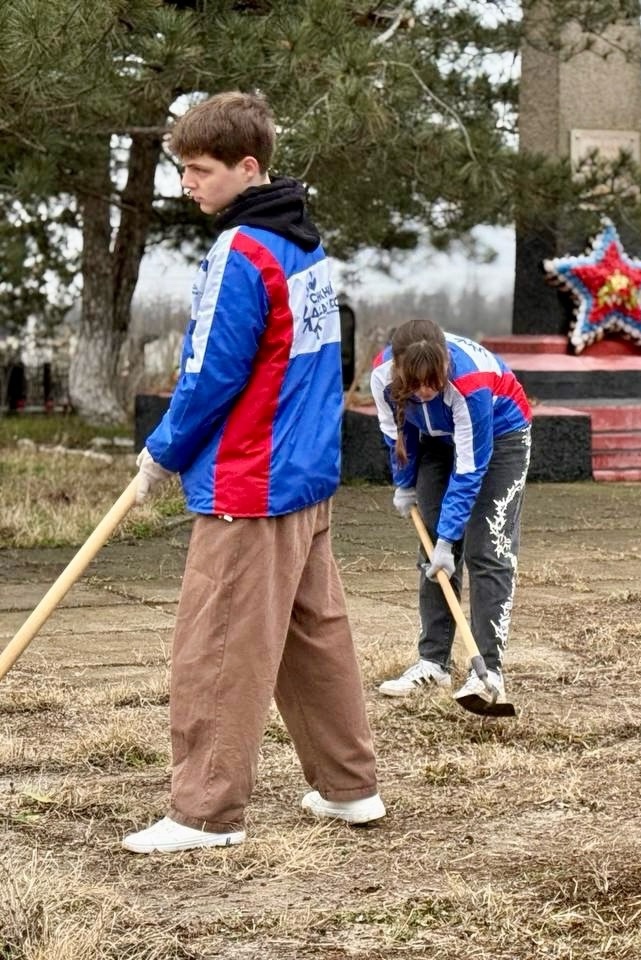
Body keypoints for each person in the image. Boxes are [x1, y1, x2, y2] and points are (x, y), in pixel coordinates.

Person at [124, 91, 383, 854]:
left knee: (217, 642)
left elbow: (210, 373)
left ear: (248, 166)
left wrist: (161, 451)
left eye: (200, 170)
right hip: (303, 478)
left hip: (251, 479)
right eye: (181, 170)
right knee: (313, 637)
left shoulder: (244, 250)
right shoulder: (304, 245)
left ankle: (203, 811)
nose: (188, 185)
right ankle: (348, 787)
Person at [371, 318, 532, 705]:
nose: (425, 391)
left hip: (500, 434)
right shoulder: (382, 375)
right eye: (416, 385)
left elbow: (471, 467)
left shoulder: (469, 383)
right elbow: (397, 432)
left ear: (445, 365)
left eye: (433, 382)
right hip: (436, 441)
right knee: (433, 553)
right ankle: (433, 663)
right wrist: (404, 482)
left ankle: (488, 671)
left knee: (485, 549)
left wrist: (449, 537)